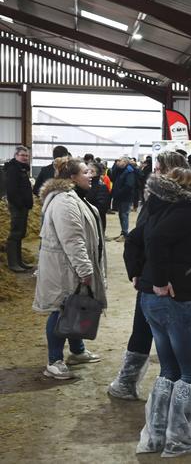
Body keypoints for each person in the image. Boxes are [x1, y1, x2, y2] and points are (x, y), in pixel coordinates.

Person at [125, 167, 191, 458]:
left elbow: (135, 239)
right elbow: (156, 241)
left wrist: (138, 274)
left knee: (169, 369)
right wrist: (161, 280)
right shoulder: (189, 212)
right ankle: (179, 438)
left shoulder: (158, 208)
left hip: (151, 299)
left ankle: (156, 435)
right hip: (177, 299)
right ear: (189, 188)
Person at [108, 151, 188, 400]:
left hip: (161, 276)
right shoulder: (158, 200)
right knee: (149, 330)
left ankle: (127, 382)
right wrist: (139, 273)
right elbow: (139, 239)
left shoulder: (169, 200)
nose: (153, 172)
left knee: (147, 329)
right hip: (156, 278)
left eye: (158, 168)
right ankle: (128, 382)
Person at [32, 157, 106, 380]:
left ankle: (77, 351)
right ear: (72, 177)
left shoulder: (74, 198)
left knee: (75, 306)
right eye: (86, 172)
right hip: (64, 268)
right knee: (61, 310)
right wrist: (85, 269)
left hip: (67, 266)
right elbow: (72, 240)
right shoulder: (65, 202)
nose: (91, 174)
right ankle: (54, 361)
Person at [4, 146, 34, 272]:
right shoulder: (13, 169)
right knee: (15, 234)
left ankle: (19, 261)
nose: (25, 158)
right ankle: (13, 263)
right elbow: (12, 190)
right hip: (17, 207)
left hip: (22, 207)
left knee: (20, 233)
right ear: (16, 155)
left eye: (27, 156)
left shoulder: (21, 169)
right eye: (22, 155)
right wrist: (20, 204)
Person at [110, 156, 137, 241]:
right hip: (120, 197)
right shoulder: (120, 170)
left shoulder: (129, 171)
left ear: (125, 162)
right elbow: (112, 177)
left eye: (119, 160)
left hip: (126, 197)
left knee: (124, 215)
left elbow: (129, 185)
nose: (118, 162)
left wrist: (119, 192)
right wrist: (116, 166)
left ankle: (125, 234)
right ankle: (123, 233)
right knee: (121, 215)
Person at [86, 162, 111, 234]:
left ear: (97, 174)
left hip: (96, 223)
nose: (89, 173)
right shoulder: (83, 186)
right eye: (87, 171)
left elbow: (102, 209)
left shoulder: (101, 187)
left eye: (92, 171)